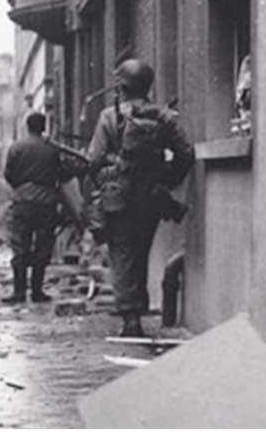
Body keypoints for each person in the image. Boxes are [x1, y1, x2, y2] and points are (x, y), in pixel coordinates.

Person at [86, 59, 195, 337]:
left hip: (118, 196)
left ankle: (130, 319)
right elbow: (185, 153)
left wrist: (106, 179)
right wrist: (167, 179)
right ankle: (138, 309)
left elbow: (94, 160)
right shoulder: (163, 116)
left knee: (121, 254)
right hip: (151, 196)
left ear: (122, 86)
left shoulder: (109, 117)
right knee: (141, 251)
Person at [1, 112, 78, 304]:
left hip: (22, 202)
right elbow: (61, 174)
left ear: (27, 126)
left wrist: (21, 188)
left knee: (20, 246)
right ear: (44, 127)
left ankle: (19, 292)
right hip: (46, 203)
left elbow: (8, 174)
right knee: (42, 247)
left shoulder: (16, 147)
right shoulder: (52, 149)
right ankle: (37, 292)